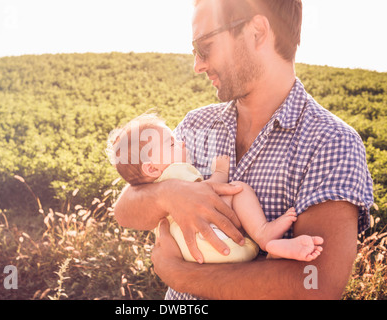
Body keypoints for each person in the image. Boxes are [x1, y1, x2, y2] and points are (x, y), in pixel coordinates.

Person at [114, 0, 374, 300]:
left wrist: (181, 275)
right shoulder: (196, 123)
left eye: (205, 46)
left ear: (257, 32)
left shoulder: (331, 142)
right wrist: (168, 194)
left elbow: (316, 284)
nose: (197, 64)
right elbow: (125, 210)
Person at [107, 114, 324, 263]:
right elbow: (208, 191)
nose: (181, 143)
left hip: (195, 256)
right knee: (238, 189)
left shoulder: (152, 186)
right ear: (152, 168)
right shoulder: (175, 173)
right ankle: (264, 235)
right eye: (172, 144)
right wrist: (220, 171)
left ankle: (275, 253)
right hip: (216, 245)